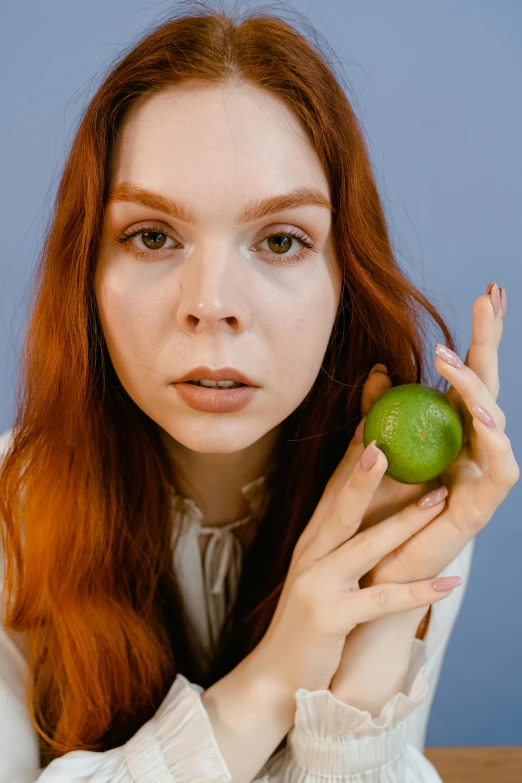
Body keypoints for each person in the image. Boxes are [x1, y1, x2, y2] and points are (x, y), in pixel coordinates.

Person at [0, 2, 517, 781]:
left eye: (280, 240)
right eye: (152, 235)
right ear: (87, 277)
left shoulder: (401, 499)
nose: (212, 302)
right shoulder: (11, 507)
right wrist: (277, 677)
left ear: (346, 278)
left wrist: (382, 615)